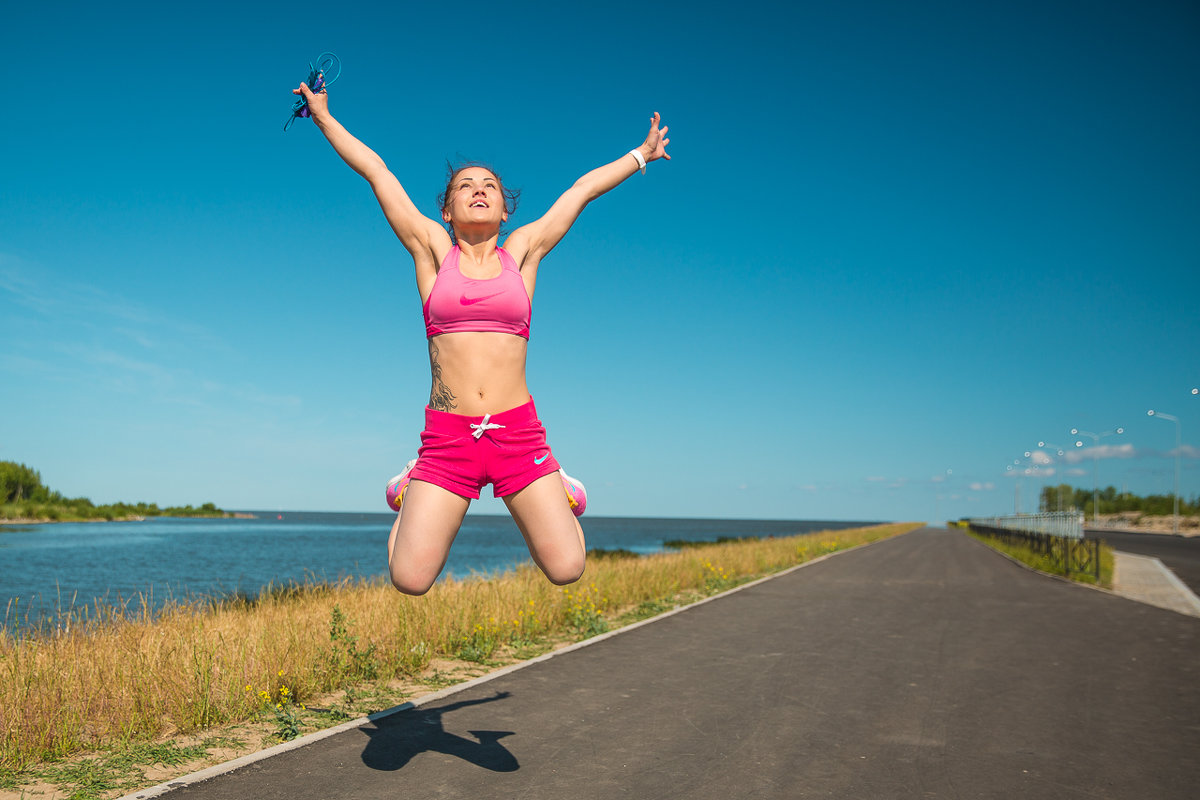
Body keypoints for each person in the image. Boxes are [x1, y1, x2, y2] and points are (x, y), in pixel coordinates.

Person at [293, 79, 670, 595]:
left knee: (567, 567)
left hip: (518, 435)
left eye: (489, 185)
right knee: (409, 579)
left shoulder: (521, 253)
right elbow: (376, 172)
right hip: (448, 438)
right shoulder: (431, 252)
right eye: (465, 185)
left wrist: (640, 155)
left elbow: (580, 192)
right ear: (446, 211)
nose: (478, 189)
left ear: (505, 209)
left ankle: (558, 482)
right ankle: (412, 483)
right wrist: (323, 117)